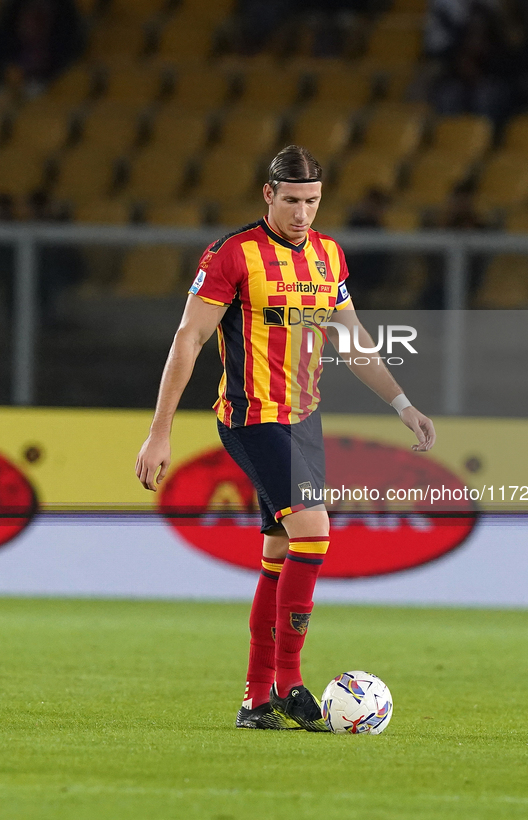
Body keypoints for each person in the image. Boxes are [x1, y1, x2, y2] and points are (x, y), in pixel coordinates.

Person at [135, 145, 436, 732]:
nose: (303, 213)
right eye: (293, 200)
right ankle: (291, 682)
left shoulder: (329, 257)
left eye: (313, 201)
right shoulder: (233, 255)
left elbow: (354, 343)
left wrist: (403, 405)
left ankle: (254, 701)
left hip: (304, 419)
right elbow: (189, 340)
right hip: (252, 417)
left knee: (278, 553)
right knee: (315, 529)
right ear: (268, 195)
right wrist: (159, 432)